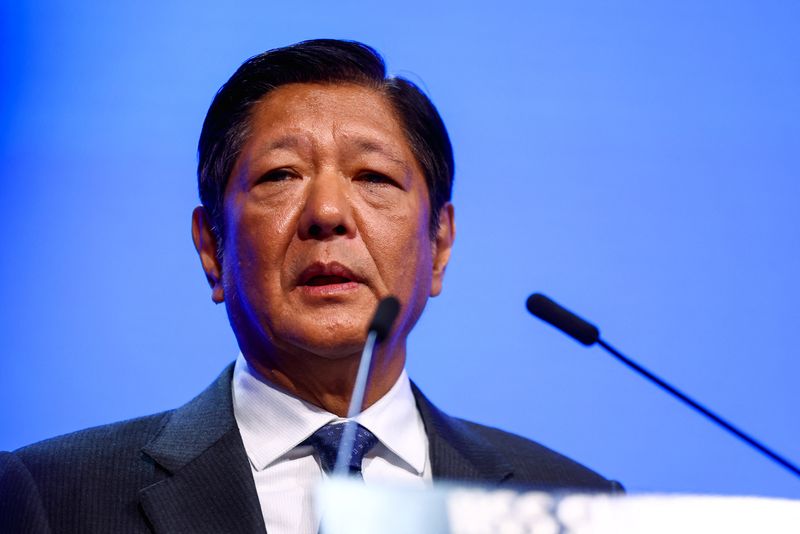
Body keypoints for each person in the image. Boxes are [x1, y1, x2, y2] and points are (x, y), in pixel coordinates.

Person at [0, 39, 621, 533]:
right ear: (211, 247)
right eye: (281, 174)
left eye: (373, 175)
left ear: (438, 245)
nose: (328, 211)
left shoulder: (577, 506)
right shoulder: (49, 498)